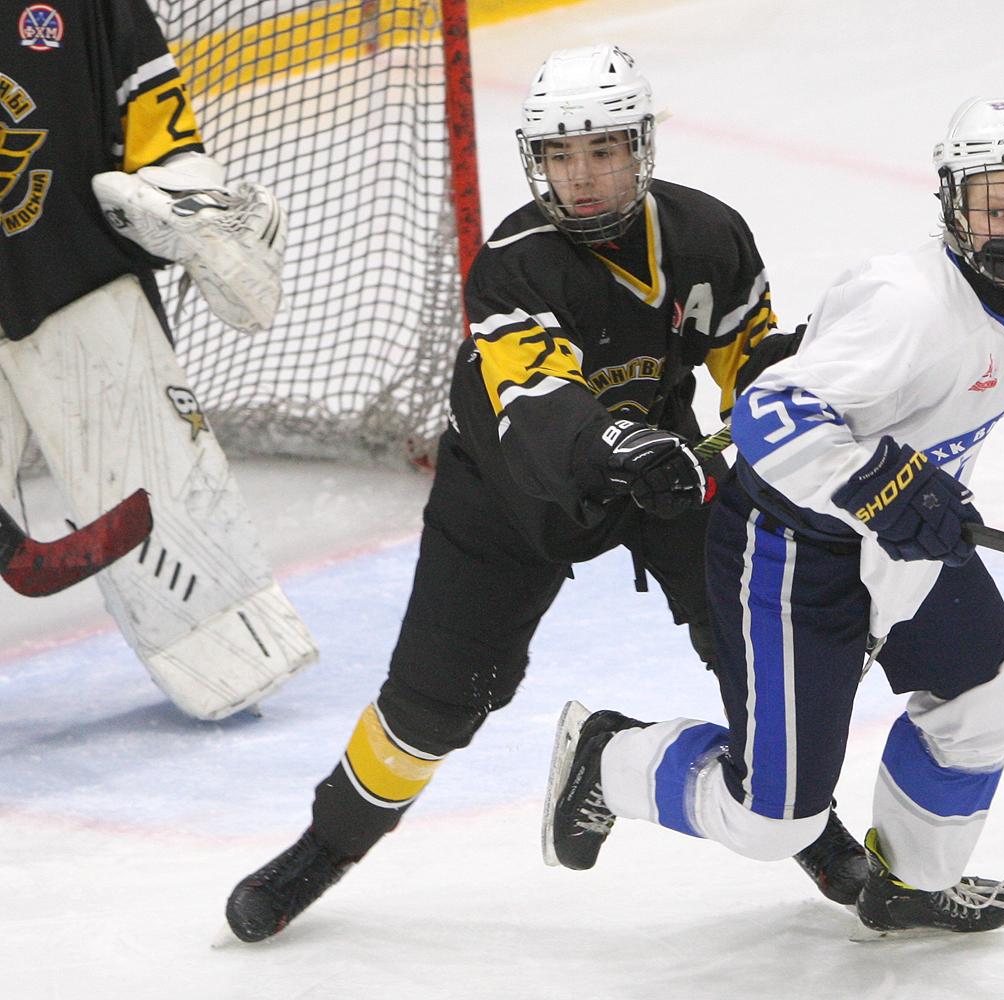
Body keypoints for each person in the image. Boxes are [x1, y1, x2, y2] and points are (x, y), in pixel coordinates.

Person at [225, 44, 864, 943]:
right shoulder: (513, 265)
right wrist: (621, 444)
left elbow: (746, 366)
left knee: (752, 634)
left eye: (602, 150)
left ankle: (801, 816)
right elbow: (537, 403)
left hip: (663, 469)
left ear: (640, 146)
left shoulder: (708, 234)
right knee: (437, 702)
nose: (582, 176)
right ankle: (324, 848)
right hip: (507, 498)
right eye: (561, 155)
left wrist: (807, 372)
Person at [543, 96, 1004, 937]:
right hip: (796, 550)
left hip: (911, 539)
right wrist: (882, 486)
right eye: (995, 208)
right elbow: (767, 415)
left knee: (989, 703)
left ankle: (910, 881)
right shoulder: (906, 305)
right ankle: (609, 758)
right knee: (771, 823)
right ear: (954, 207)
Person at [0, 0, 314, 721]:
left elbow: (162, 138)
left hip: (81, 287)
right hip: (80, 288)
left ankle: (220, 650)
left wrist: (190, 204)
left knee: (223, 641)